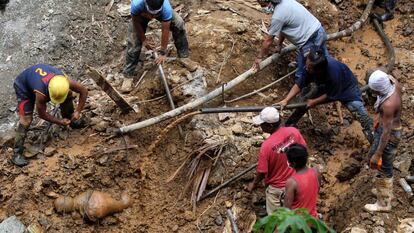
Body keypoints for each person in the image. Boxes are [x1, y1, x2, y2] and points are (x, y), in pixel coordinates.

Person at [277, 48, 374, 144]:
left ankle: (373, 135)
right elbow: (299, 84)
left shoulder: (333, 73)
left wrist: (314, 102)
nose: (307, 68)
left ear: (319, 70)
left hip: (346, 88)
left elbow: (332, 95)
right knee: (303, 101)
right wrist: (286, 100)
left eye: (309, 67)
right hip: (324, 85)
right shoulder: (309, 67)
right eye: (307, 65)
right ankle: (288, 126)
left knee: (358, 110)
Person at [12, 64, 88, 167]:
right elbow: (41, 114)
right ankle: (17, 153)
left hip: (38, 80)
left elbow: (84, 91)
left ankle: (72, 120)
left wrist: (78, 111)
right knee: (26, 119)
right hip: (23, 86)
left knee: (68, 94)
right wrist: (59, 121)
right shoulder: (41, 94)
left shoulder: (65, 81)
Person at [247, 107, 307, 215]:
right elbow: (304, 151)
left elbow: (262, 171)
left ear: (270, 126)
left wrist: (254, 183)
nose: (260, 126)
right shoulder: (293, 131)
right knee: (296, 217)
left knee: (276, 223)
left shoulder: (266, 146)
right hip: (297, 183)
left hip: (277, 189)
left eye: (262, 124)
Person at [252, 0, 329, 81]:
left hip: (309, 41)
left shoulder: (278, 16)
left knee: (303, 71)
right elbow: (284, 28)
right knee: (325, 60)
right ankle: (330, 80)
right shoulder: (287, 1)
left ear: (269, 2)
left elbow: (268, 41)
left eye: (263, 5)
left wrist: (259, 57)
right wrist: (279, 45)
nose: (263, 7)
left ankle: (310, 88)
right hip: (319, 31)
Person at [364, 69, 402, 212]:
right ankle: (382, 191)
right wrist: (379, 119)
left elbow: (386, 133)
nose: (374, 94)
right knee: (381, 166)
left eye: (375, 91)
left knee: (385, 167)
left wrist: (378, 153)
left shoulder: (388, 105)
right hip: (389, 127)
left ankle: (384, 204)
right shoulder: (393, 83)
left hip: (390, 135)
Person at [123, 0, 189, 76]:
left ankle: (183, 56)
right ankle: (128, 73)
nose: (152, 17)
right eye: (151, 14)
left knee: (178, 23)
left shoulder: (165, 8)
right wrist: (143, 39)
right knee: (134, 40)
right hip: (141, 13)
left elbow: (165, 30)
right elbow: (136, 22)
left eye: (155, 14)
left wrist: (163, 52)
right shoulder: (136, 4)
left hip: (159, 12)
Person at [284, 144, 319, 217]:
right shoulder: (316, 172)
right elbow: (316, 190)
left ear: (293, 164)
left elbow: (286, 210)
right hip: (313, 220)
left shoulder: (292, 182)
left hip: (299, 224)